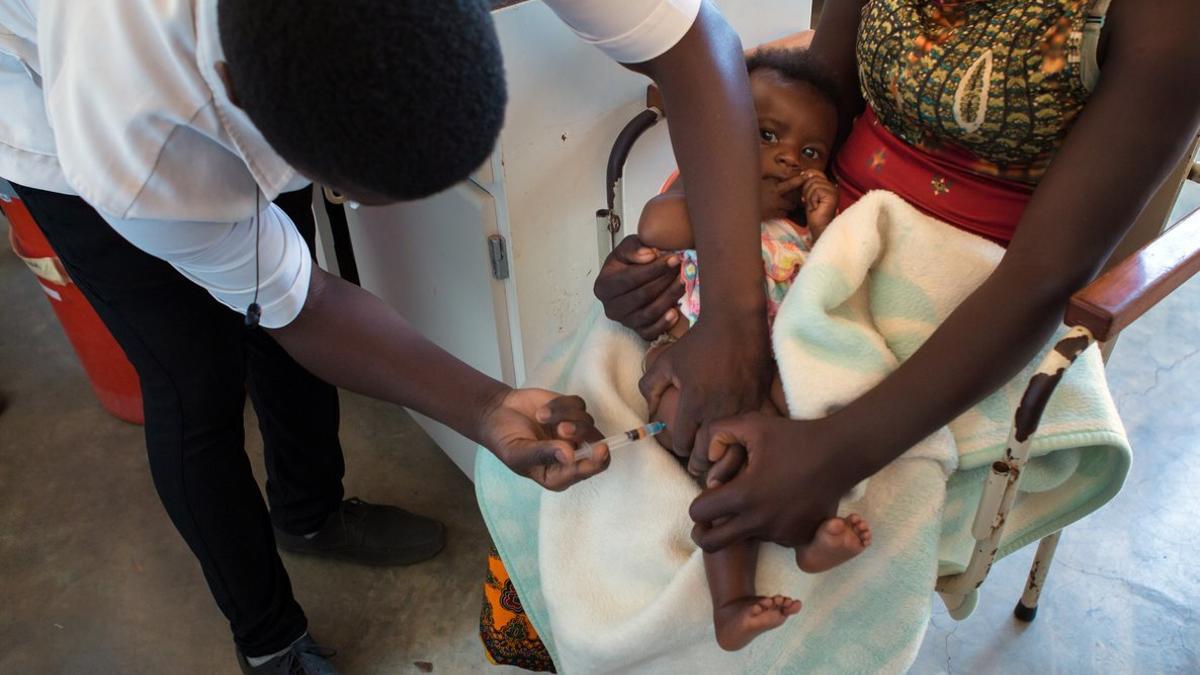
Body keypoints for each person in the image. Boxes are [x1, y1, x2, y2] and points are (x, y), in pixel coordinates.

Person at [0, 0, 775, 673]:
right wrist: (482, 405)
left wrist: (735, 318)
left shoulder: (290, 70)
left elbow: (691, 43)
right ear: (240, 100)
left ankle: (309, 509)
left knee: (278, 296)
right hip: (48, 112)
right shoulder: (136, 136)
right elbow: (298, 303)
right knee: (192, 379)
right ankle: (269, 640)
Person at [597, 0, 1200, 567]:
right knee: (616, 399)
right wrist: (678, 246)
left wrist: (834, 455)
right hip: (816, 227)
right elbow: (818, 97)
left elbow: (1045, 273)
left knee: (749, 508)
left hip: (971, 302)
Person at [636, 49, 870, 650]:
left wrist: (822, 230)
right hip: (697, 376)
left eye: (811, 152)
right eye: (767, 135)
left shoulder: (797, 231)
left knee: (795, 440)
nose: (790, 156)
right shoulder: (704, 210)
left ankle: (809, 535)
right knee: (731, 469)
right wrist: (749, 206)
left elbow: (832, 286)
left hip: (774, 370)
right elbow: (657, 228)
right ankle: (731, 602)